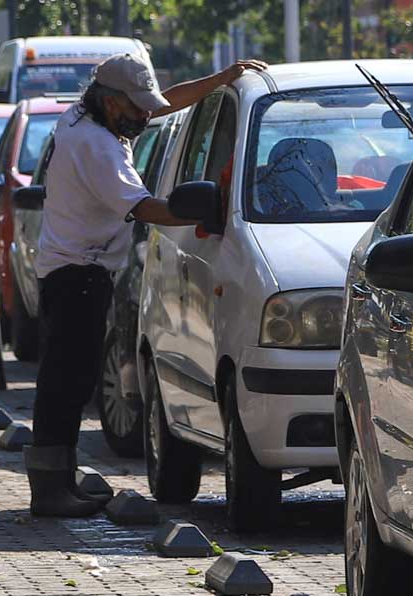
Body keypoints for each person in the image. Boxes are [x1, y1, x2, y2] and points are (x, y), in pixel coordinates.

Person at [24, 52, 267, 517]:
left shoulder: (89, 117)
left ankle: (61, 477)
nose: (143, 115)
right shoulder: (95, 145)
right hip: (77, 272)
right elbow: (143, 208)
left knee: (70, 380)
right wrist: (206, 211)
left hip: (75, 268)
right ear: (112, 102)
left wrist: (221, 79)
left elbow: (161, 105)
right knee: (66, 383)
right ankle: (50, 490)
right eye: (134, 107)